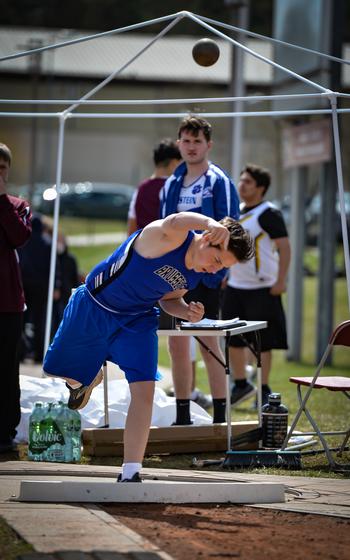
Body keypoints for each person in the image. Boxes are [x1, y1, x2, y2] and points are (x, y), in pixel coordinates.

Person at [43, 212, 254, 481]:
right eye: (216, 260)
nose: (215, 270)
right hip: (95, 306)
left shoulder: (195, 274)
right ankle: (82, 379)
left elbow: (168, 298)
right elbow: (176, 220)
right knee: (55, 369)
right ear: (208, 239)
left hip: (137, 320)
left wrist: (186, 310)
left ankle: (131, 471)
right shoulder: (170, 237)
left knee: (144, 391)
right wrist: (209, 223)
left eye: (222, 267)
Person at [160, 115, 240, 425]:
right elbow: (163, 229)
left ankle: (221, 416)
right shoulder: (170, 184)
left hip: (207, 273)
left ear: (209, 145)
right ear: (178, 143)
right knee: (176, 343)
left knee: (209, 343)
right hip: (174, 275)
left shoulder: (219, 180)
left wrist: (219, 273)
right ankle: (183, 415)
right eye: (186, 140)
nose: (192, 147)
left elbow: (231, 228)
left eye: (198, 141)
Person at [221, 164, 291, 407]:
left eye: (248, 182)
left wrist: (281, 280)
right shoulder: (236, 212)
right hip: (235, 286)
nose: (241, 185)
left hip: (263, 287)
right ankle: (241, 384)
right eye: (241, 180)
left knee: (263, 341)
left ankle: (263, 389)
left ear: (260, 188)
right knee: (233, 339)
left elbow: (284, 247)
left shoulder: (269, 212)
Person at [0, 143, 32, 453]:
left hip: (8, 302)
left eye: (1, 169)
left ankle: (5, 431)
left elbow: (19, 238)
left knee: (7, 369)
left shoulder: (17, 205)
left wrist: (1, 202)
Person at [127, 138, 181, 235]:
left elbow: (132, 225)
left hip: (142, 245)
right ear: (173, 162)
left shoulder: (141, 188)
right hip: (168, 246)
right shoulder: (176, 187)